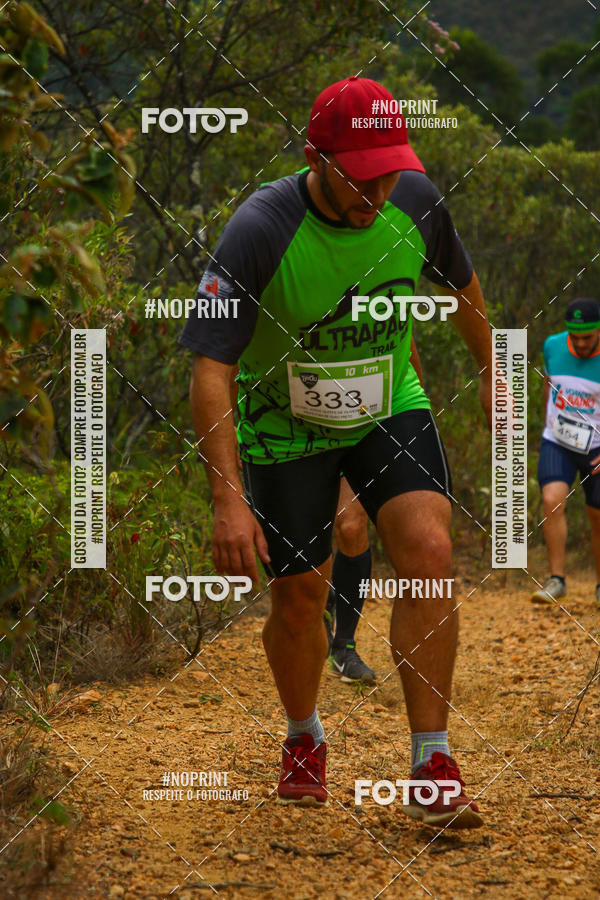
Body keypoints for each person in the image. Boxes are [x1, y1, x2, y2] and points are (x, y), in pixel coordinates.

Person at [180, 76, 492, 828]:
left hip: (388, 404)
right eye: (360, 177)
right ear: (315, 158)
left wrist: (493, 369)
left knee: (429, 551)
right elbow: (211, 369)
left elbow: (462, 286)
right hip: (285, 424)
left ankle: (432, 764)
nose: (377, 193)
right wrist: (227, 500)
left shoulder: (415, 201)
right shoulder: (259, 229)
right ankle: (303, 737)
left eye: (388, 173)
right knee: (299, 599)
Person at [326, 340, 425, 684]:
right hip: (297, 429)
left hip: (364, 425)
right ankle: (323, 597)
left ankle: (344, 646)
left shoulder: (378, 308)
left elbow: (407, 352)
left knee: (350, 525)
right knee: (303, 532)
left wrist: (413, 426)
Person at [531, 298, 600, 606]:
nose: (581, 343)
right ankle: (556, 579)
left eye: (588, 337)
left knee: (597, 515)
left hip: (596, 447)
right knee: (551, 500)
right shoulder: (553, 346)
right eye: (576, 337)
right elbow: (549, 385)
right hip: (557, 440)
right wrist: (546, 421)